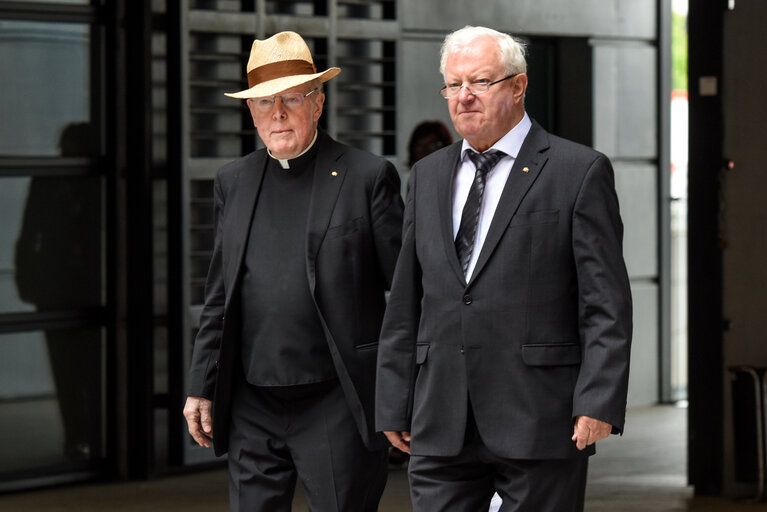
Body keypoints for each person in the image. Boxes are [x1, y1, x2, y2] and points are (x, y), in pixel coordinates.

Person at [375, 25, 632, 512]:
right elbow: (407, 299)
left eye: (480, 82)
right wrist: (392, 398)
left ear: (518, 86)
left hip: (539, 415)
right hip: (440, 419)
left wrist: (598, 400)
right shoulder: (427, 176)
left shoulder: (578, 171)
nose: (464, 97)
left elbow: (606, 303)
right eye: (453, 84)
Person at [183, 31, 404, 512]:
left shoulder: (367, 177)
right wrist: (201, 384)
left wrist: (402, 391)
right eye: (264, 102)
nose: (277, 113)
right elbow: (220, 294)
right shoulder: (233, 181)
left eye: (291, 99)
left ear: (318, 103)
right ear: (251, 112)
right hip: (251, 402)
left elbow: (407, 293)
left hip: (336, 403)